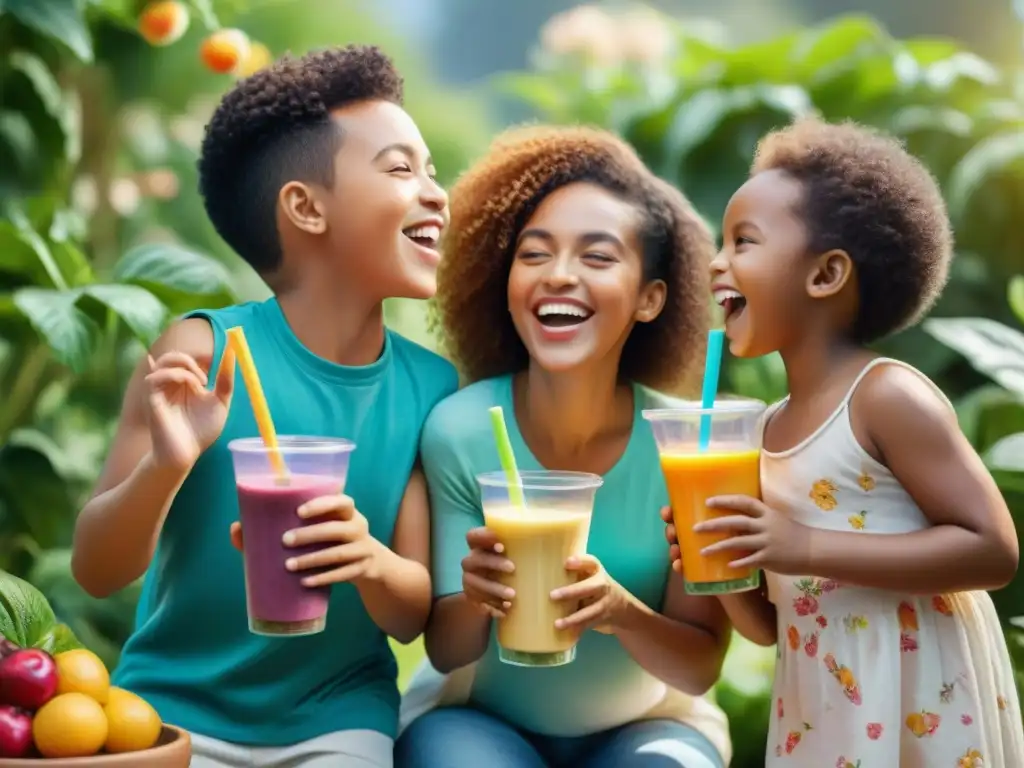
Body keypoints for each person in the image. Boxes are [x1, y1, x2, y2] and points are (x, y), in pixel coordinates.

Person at [70, 45, 457, 768]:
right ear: (306, 208)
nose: (436, 192)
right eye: (402, 169)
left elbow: (413, 615)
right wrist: (166, 463)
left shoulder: (431, 389)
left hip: (337, 717)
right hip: (173, 707)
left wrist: (368, 560)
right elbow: (97, 568)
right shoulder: (201, 354)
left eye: (432, 170)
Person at [662, 116, 1024, 766]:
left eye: (743, 241)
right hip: (825, 711)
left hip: (921, 706)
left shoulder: (885, 397)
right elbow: (772, 627)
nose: (717, 262)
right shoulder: (764, 432)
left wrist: (801, 543)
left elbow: (993, 551)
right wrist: (725, 569)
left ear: (826, 274)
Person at [395, 125, 733, 768]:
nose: (559, 276)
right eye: (534, 254)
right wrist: (474, 595)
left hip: (647, 727)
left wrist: (621, 612)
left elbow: (699, 666)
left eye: (598, 258)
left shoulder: (690, 447)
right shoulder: (461, 430)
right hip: (478, 724)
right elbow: (445, 650)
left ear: (650, 299)